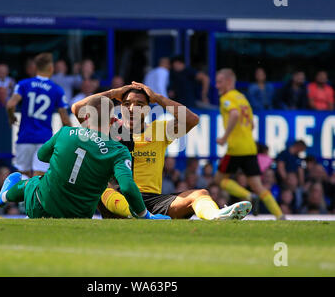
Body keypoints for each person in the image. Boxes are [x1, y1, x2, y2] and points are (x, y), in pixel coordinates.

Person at [72, 81, 251, 220]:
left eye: (140, 104)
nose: (132, 109)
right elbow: (78, 109)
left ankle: (216, 216)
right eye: (127, 104)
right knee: (103, 189)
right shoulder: (108, 128)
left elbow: (192, 120)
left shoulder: (159, 130)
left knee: (200, 194)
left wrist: (158, 98)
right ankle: (136, 214)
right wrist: (113, 93)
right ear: (120, 107)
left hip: (153, 201)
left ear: (148, 109)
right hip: (119, 198)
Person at [0, 95, 170, 220]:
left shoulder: (65, 132)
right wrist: (145, 215)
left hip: (40, 207)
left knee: (33, 182)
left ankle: (4, 197)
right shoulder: (118, 150)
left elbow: (42, 156)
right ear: (111, 122)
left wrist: (65, 157)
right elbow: (127, 186)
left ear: (86, 117)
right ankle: (6, 196)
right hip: (78, 216)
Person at [213, 68, 284, 220]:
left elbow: (234, 114)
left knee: (219, 180)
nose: (217, 85)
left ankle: (248, 195)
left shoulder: (227, 97)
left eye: (220, 82)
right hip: (250, 148)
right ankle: (280, 216)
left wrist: (224, 138)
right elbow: (252, 125)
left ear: (229, 81)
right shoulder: (242, 98)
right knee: (259, 186)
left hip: (235, 148)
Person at [6, 52, 72, 178]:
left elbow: (10, 105)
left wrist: (11, 117)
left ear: (36, 68)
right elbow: (65, 119)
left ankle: (21, 198)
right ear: (51, 68)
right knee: (40, 176)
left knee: (22, 176)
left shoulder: (23, 84)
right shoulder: (56, 89)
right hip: (44, 139)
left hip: (25, 137)